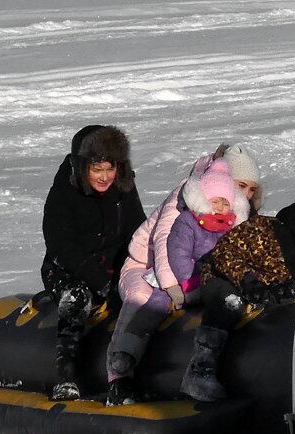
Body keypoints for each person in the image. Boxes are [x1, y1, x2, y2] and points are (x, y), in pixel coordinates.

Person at [179, 193, 295, 401]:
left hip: (262, 296)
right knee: (228, 302)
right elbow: (226, 252)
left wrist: (292, 291)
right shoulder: (265, 230)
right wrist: (248, 280)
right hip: (225, 277)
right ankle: (200, 371)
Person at [105, 160, 248, 406]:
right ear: (202, 199)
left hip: (204, 281)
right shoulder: (185, 217)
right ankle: (123, 358)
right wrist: (183, 287)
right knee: (150, 303)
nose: (221, 207)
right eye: (215, 201)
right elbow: (172, 252)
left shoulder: (230, 226)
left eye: (226, 202)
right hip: (166, 274)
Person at [41, 124, 146, 400]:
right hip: (67, 269)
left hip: (115, 267)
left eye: (110, 169)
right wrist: (101, 282)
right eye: (96, 169)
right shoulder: (64, 193)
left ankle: (128, 373)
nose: (104, 177)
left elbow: (138, 231)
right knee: (77, 298)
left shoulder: (123, 189)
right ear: (82, 166)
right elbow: (61, 247)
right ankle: (66, 372)